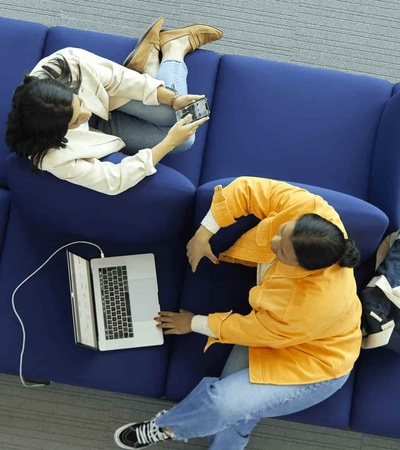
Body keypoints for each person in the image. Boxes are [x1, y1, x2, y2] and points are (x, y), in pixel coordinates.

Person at [114, 177, 362, 449]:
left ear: (302, 268)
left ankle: (167, 427)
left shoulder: (310, 304)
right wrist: (202, 234)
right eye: (281, 230)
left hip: (315, 365)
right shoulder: (312, 209)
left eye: (280, 250)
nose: (273, 240)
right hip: (274, 330)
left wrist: (192, 323)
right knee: (238, 414)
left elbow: (250, 329)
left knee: (224, 404)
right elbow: (245, 189)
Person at [5, 16, 222, 195]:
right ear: (57, 133)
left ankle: (173, 48)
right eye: (77, 119)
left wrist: (173, 99)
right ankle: (154, 59)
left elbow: (120, 80)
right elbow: (113, 181)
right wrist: (167, 144)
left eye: (79, 103)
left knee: (173, 110)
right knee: (185, 141)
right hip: (97, 133)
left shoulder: (68, 63)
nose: (86, 112)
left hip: (110, 96)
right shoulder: (49, 155)